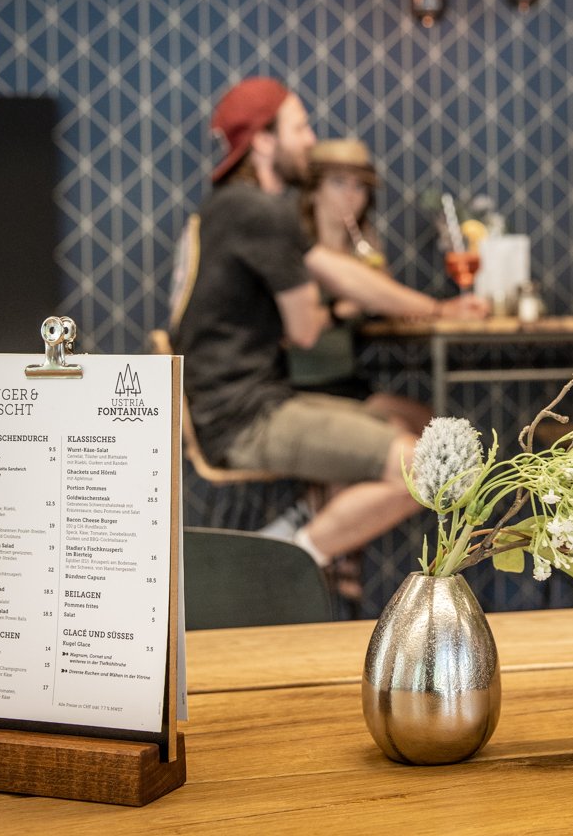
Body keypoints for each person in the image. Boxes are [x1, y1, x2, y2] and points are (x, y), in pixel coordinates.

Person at [173, 77, 486, 567]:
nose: (311, 140)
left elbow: (342, 274)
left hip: (245, 406)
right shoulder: (259, 212)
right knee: (436, 466)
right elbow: (304, 331)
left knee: (430, 438)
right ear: (263, 141)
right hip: (246, 419)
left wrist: (437, 308)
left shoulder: (231, 208)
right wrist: (427, 308)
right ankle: (282, 564)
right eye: (300, 127)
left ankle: (296, 537)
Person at [288, 138, 432, 435]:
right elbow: (290, 331)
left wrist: (385, 292)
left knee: (432, 424)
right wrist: (342, 310)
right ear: (313, 191)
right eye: (339, 183)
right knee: (397, 430)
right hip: (302, 385)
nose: (351, 195)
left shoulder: (364, 246)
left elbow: (389, 306)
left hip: (347, 381)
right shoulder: (296, 249)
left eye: (360, 186)